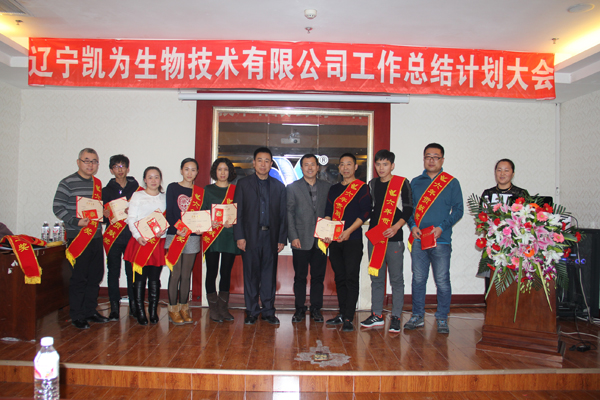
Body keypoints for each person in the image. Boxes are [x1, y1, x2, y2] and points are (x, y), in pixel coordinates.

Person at [405, 143, 463, 334]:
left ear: (442, 160)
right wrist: (413, 226)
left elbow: (459, 210)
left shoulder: (451, 182)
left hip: (441, 240)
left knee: (442, 280)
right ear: (423, 159)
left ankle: (442, 318)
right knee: (418, 279)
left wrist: (441, 227)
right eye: (428, 156)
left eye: (436, 157)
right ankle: (417, 316)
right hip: (419, 240)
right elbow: (409, 209)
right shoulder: (415, 182)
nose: (431, 160)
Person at [53, 148, 108, 329]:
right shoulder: (67, 182)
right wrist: (76, 221)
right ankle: (77, 315)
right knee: (79, 277)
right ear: (78, 162)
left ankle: (90, 311)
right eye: (87, 160)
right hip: (78, 237)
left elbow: (97, 211)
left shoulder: (97, 184)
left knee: (95, 276)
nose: (90, 164)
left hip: (96, 236)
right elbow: (58, 207)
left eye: (94, 161)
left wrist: (104, 213)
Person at [233, 147, 287, 325]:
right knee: (251, 275)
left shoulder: (279, 186)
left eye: (267, 161)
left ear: (271, 164)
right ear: (254, 163)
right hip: (250, 237)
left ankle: (268, 311)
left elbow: (283, 215)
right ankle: (251, 311)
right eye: (260, 160)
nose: (263, 164)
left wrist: (281, 239)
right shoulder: (243, 184)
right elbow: (238, 212)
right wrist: (239, 236)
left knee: (268, 276)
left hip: (271, 236)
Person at [361, 150, 413, 333]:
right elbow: (371, 209)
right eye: (378, 164)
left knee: (396, 279)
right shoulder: (372, 184)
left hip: (394, 238)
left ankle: (396, 316)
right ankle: (377, 315)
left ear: (392, 165)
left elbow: (408, 208)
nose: (381, 168)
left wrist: (397, 227)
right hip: (376, 237)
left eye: (385, 164)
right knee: (376, 278)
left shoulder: (402, 183)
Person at [323, 153, 371, 332]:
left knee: (351, 277)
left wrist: (348, 231)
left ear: (355, 167)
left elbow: (365, 213)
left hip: (353, 239)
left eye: (349, 164)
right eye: (342, 164)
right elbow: (328, 211)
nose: (345, 168)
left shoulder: (362, 188)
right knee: (340, 277)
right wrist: (327, 231)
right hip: (336, 241)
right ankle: (342, 313)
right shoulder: (334, 189)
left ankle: (349, 317)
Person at [287, 154, 331, 323]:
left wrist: (329, 232)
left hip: (321, 239)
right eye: (306, 165)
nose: (310, 168)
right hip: (300, 239)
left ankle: (316, 309)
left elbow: (331, 211)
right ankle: (299, 309)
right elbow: (289, 214)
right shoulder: (292, 188)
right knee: (300, 277)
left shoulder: (327, 187)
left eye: (313, 164)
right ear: (302, 168)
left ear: (318, 167)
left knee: (318, 277)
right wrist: (293, 236)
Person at [124, 167, 167, 326]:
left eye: (156, 177)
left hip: (157, 243)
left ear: (160, 179)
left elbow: (167, 220)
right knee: (140, 279)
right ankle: (140, 311)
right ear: (145, 180)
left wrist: (163, 232)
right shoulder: (138, 195)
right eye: (150, 177)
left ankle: (153, 311)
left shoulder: (164, 197)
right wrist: (138, 236)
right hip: (140, 242)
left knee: (155, 279)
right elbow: (131, 218)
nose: (153, 180)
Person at [163, 158, 203, 325]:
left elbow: (201, 214)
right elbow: (171, 211)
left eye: (193, 170)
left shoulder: (200, 192)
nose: (189, 173)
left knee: (186, 274)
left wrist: (201, 227)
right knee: (176, 273)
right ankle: (173, 309)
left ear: (197, 172)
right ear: (181, 170)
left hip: (192, 237)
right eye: (186, 169)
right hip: (175, 235)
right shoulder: (173, 187)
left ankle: (184, 307)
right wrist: (178, 227)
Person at [479, 159, 528, 290]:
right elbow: (481, 218)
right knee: (492, 281)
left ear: (513, 173)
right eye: (499, 170)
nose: (502, 173)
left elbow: (526, 219)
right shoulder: (488, 194)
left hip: (515, 244)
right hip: (493, 243)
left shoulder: (521, 194)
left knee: (512, 281)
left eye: (506, 170)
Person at [102, 154, 140, 321]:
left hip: (131, 235)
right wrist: (104, 215)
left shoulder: (136, 188)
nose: (120, 169)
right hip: (114, 237)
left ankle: (133, 306)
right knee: (113, 272)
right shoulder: (105, 191)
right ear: (111, 170)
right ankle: (114, 308)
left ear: (128, 168)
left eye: (122, 166)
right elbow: (102, 217)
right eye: (116, 167)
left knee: (131, 272)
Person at [202, 157, 241, 322]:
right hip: (212, 237)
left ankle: (223, 308)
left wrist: (234, 221)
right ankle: (213, 309)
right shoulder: (208, 189)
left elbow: (241, 212)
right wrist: (210, 220)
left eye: (226, 169)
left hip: (229, 236)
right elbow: (202, 212)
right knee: (212, 272)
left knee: (226, 272)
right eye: (219, 169)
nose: (223, 173)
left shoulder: (236, 190)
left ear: (230, 172)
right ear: (215, 172)